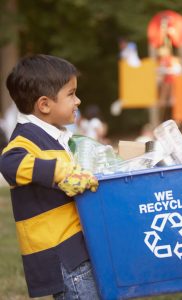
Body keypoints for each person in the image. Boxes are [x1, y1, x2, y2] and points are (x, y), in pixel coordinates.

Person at [0, 54, 100, 299]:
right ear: (44, 105)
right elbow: (9, 162)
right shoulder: (25, 140)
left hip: (74, 246)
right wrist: (60, 171)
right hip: (62, 254)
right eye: (71, 93)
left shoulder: (56, 136)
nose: (78, 100)